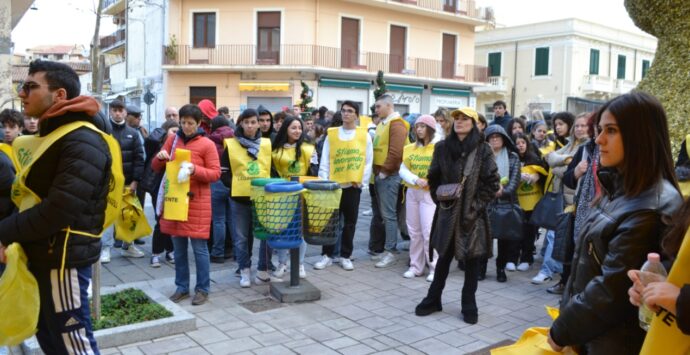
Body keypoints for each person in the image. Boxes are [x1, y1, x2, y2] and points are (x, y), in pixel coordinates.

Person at [547, 91, 683, 354]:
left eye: (611, 130)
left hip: (615, 343)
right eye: (599, 130)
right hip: (593, 336)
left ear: (640, 136)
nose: (598, 139)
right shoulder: (620, 186)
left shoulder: (652, 205)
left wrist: (563, 329)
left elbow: (611, 290)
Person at [0, 59, 116, 353]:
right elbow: (28, 197)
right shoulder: (51, 136)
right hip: (44, 255)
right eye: (21, 86)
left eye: (30, 86)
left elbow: (59, 208)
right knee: (52, 343)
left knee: (73, 347)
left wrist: (4, 232)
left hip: (62, 260)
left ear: (60, 95)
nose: (22, 93)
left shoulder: (82, 140)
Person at [415, 107, 499, 325]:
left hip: (472, 216)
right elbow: (433, 177)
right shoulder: (442, 147)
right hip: (446, 212)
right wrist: (439, 198)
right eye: (457, 119)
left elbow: (492, 184)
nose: (459, 122)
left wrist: (474, 207)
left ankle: (469, 304)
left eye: (465, 119)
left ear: (473, 123)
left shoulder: (483, 150)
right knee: (443, 257)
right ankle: (433, 299)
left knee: (471, 262)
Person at [152, 104, 220, 306]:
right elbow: (156, 167)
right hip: (175, 201)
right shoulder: (172, 140)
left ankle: (203, 289)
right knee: (179, 249)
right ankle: (182, 287)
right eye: (183, 122)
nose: (186, 127)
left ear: (199, 123)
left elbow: (215, 173)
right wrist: (160, 157)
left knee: (199, 249)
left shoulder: (207, 144)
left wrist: (194, 170)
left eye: (190, 123)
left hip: (197, 202)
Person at [316, 101, 373, 271]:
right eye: (343, 111)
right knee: (329, 222)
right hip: (333, 186)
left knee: (350, 222)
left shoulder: (365, 136)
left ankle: (345, 255)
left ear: (357, 115)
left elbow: (368, 161)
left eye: (350, 111)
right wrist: (324, 181)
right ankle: (326, 255)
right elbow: (325, 159)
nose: (346, 114)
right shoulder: (331, 134)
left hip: (352, 187)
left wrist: (361, 182)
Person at [532, 112, 588, 284]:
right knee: (555, 235)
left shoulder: (587, 147)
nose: (579, 129)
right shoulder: (571, 144)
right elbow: (551, 159)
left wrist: (560, 165)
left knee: (558, 237)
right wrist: (567, 162)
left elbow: (565, 171)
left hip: (573, 200)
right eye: (577, 126)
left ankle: (550, 272)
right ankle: (554, 272)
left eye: (583, 125)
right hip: (560, 197)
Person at [220, 108, 272, 288]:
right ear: (241, 123)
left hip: (262, 199)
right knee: (241, 237)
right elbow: (224, 173)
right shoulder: (231, 145)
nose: (250, 126)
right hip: (239, 200)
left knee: (266, 234)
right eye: (246, 122)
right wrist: (235, 185)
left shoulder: (266, 144)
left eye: (253, 122)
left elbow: (270, 171)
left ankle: (263, 269)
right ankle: (244, 270)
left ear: (258, 124)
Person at [100, 99, 146, 262]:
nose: (118, 113)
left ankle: (128, 245)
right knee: (108, 216)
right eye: (115, 110)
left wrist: (135, 181)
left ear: (125, 113)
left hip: (128, 182)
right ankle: (106, 248)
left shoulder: (133, 134)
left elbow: (139, 158)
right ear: (110, 112)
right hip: (108, 183)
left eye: (121, 110)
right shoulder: (104, 132)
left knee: (129, 215)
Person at [271, 115, 316, 277]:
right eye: (293, 128)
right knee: (284, 230)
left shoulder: (308, 149)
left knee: (301, 231)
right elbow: (273, 173)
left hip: (303, 194)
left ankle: (300, 264)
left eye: (299, 128)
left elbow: (314, 172)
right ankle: (282, 263)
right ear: (286, 129)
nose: (297, 131)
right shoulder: (276, 151)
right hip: (282, 195)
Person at [370, 94, 409, 268]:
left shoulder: (397, 124)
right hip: (382, 175)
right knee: (386, 215)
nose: (376, 110)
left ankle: (390, 251)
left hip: (389, 176)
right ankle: (388, 249)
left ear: (388, 105)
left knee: (389, 215)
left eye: (378, 107)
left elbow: (396, 152)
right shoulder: (384, 123)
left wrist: (384, 172)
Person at [399, 114, 438, 281]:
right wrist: (415, 179)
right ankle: (416, 267)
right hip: (412, 192)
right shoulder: (409, 148)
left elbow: (443, 169)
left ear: (430, 129)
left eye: (423, 126)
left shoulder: (438, 148)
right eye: (417, 126)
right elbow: (402, 170)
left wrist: (431, 180)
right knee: (414, 231)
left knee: (429, 231)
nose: (419, 129)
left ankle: (435, 268)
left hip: (430, 193)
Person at [484, 124, 520, 282]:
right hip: (486, 203)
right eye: (491, 137)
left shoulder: (513, 157)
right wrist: (490, 190)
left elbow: (515, 181)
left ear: (504, 139)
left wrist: (502, 191)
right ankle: (481, 268)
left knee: (504, 239)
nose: (495, 139)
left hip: (506, 203)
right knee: (485, 238)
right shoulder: (483, 156)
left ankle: (500, 268)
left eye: (498, 136)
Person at [141, 120, 179, 267]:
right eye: (173, 131)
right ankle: (156, 253)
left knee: (172, 221)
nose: (175, 134)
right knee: (160, 221)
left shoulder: (179, 146)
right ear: (165, 132)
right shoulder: (158, 145)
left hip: (174, 188)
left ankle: (170, 251)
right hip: (158, 187)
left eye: (177, 131)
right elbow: (149, 142)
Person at [513, 132, 548, 272]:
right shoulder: (512, 158)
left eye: (522, 142)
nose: (520, 145)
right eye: (517, 143)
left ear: (527, 144)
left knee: (529, 231)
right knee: (516, 230)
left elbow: (545, 173)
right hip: (516, 202)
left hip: (532, 202)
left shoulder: (534, 157)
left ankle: (527, 258)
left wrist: (537, 175)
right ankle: (513, 257)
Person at [208, 115, 235, 264]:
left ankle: (218, 253)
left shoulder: (210, 140)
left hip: (216, 182)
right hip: (231, 182)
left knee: (218, 220)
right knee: (232, 219)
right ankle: (235, 251)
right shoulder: (234, 140)